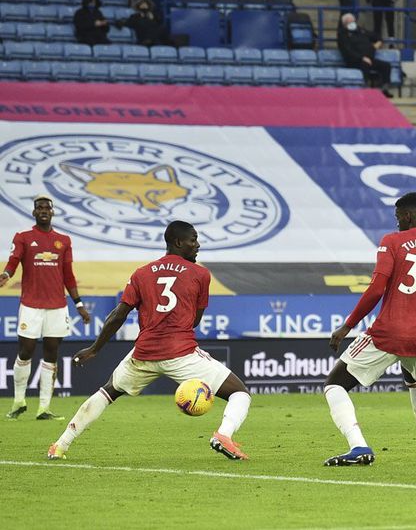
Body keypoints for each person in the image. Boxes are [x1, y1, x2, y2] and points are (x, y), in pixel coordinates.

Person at [47, 221, 252, 461]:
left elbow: (118, 315)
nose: (197, 245)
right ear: (177, 242)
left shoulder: (142, 273)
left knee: (107, 392)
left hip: (143, 354)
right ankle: (223, 435)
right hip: (181, 353)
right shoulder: (200, 274)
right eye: (193, 240)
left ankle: (60, 445)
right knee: (240, 394)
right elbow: (194, 321)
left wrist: (95, 348)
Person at [324, 192, 416, 466]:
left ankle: (358, 446)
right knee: (415, 380)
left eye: (398, 216)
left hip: (389, 332)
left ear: (408, 215)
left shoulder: (393, 241)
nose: (396, 222)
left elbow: (377, 288)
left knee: (334, 385)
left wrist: (347, 326)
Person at [2, 195, 91, 420]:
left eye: (47, 208)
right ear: (33, 212)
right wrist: (5, 274)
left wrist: (78, 304)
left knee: (51, 353)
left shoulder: (64, 240)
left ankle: (44, 408)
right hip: (31, 305)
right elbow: (13, 261)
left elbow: (68, 276)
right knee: (26, 350)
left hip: (57, 306)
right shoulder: (23, 237)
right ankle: (18, 402)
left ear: (52, 212)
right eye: (39, 207)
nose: (43, 210)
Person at [337, 12, 393, 97]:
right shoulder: (342, 35)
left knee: (386, 66)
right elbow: (347, 51)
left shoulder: (361, 31)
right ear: (344, 24)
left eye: (353, 21)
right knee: (365, 64)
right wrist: (361, 58)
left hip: (369, 59)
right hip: (355, 61)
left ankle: (384, 88)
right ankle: (365, 88)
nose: (352, 24)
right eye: (349, 22)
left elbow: (376, 36)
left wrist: (378, 43)